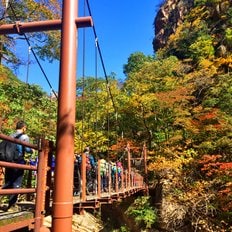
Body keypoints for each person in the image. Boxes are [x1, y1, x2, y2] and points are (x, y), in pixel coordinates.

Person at [2, 120, 33, 211]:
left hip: (9, 161)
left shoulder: (11, 135)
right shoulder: (24, 137)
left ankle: (6, 201)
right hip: (18, 161)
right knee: (16, 183)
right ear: (23, 128)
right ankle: (12, 205)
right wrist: (32, 150)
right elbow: (27, 149)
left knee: (8, 182)